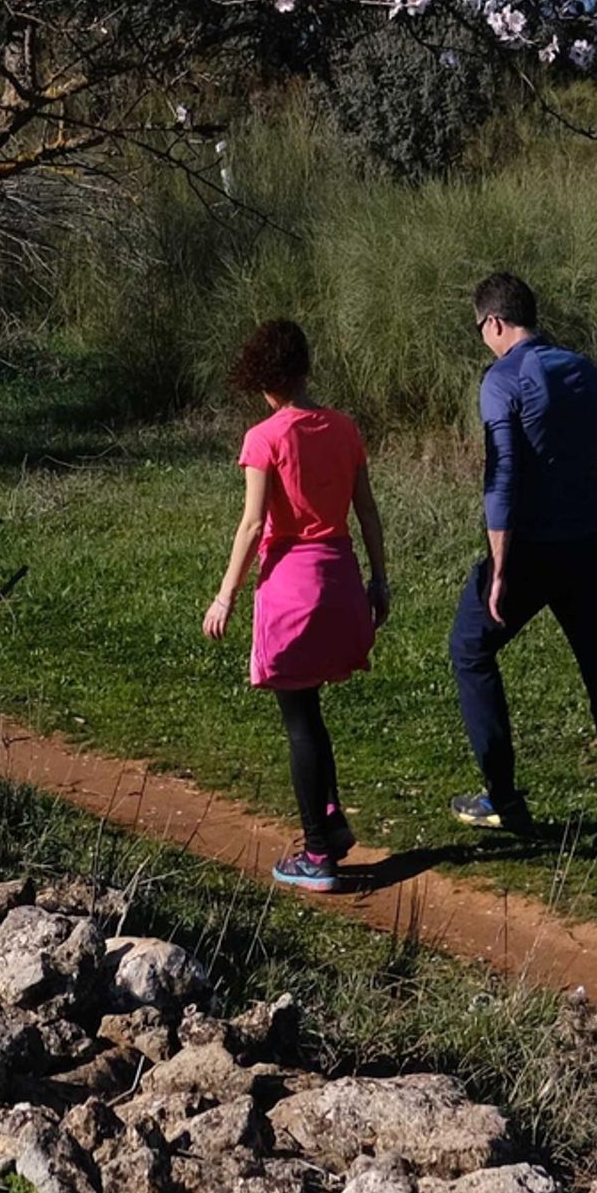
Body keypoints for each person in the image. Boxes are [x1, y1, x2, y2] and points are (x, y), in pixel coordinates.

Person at [448, 270, 597, 867]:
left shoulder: (501, 380)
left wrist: (502, 566)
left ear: (494, 323)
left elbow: (503, 474)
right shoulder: (585, 371)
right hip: (588, 546)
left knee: (470, 647)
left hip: (530, 552)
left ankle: (504, 797)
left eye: (480, 329)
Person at [204, 315, 389, 891]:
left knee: (299, 722)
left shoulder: (265, 438)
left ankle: (316, 855)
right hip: (340, 578)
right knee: (311, 714)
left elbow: (253, 522)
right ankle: (329, 824)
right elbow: (367, 511)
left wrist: (224, 595)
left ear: (263, 380)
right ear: (306, 368)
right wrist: (379, 580)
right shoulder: (344, 427)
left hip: (290, 588)